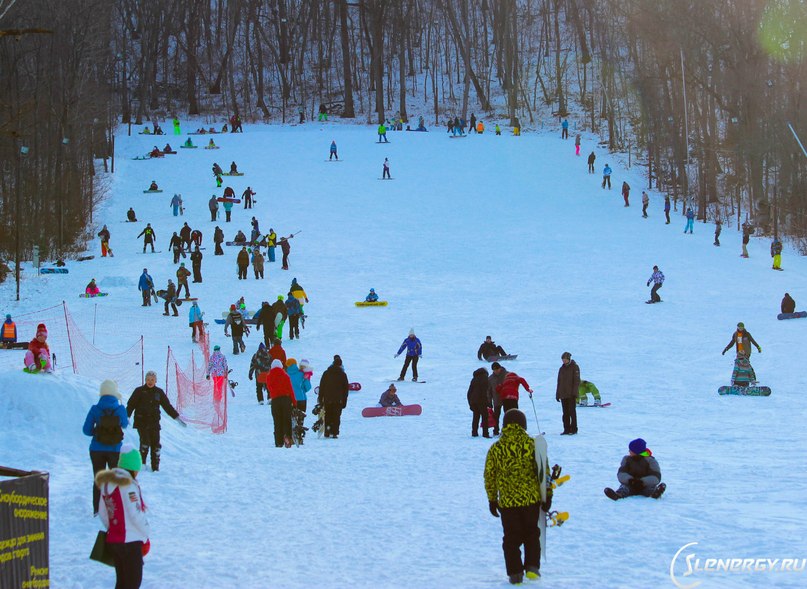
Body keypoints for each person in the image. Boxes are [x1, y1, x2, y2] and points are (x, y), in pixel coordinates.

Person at [484, 409, 548, 584]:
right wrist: (547, 496)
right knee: (532, 533)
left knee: (511, 538)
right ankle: (532, 567)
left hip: (507, 502)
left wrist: (492, 499)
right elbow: (543, 472)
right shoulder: (532, 444)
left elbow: (490, 475)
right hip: (531, 500)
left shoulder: (496, 448)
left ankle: (515, 572)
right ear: (523, 425)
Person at [95, 445, 150, 588]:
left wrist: (114, 528)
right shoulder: (128, 486)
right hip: (131, 542)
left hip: (114, 541)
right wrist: (145, 534)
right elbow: (135, 513)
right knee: (132, 583)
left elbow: (103, 512)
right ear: (132, 468)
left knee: (122, 582)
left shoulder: (107, 484)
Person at [83, 379, 128, 515]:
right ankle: (115, 509)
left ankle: (97, 509)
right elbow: (125, 424)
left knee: (98, 478)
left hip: (96, 449)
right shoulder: (120, 409)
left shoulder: (95, 409)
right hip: (115, 449)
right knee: (115, 478)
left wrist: (97, 432)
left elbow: (86, 430)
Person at [127, 371, 185, 472]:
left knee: (156, 445)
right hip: (141, 422)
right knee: (145, 442)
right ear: (145, 380)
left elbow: (167, 406)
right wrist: (126, 417)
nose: (150, 381)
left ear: (156, 381)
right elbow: (131, 405)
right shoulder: (139, 391)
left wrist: (176, 417)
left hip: (154, 423)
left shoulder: (159, 392)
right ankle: (142, 465)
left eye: (152, 380)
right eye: (148, 379)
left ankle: (155, 468)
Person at [266, 359, 297, 448]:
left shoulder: (269, 377)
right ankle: (287, 436)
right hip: (286, 400)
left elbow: (269, 388)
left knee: (277, 422)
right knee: (287, 420)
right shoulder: (285, 376)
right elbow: (291, 390)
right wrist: (294, 402)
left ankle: (278, 441)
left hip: (275, 401)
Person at [318, 355, 349, 438]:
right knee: (336, 416)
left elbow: (322, 386)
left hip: (328, 399)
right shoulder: (343, 374)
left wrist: (320, 398)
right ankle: (334, 432)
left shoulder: (326, 373)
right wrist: (344, 401)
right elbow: (345, 390)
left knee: (328, 415)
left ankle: (327, 431)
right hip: (338, 400)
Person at [556, 352, 580, 435]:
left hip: (571, 394)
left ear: (569, 359)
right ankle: (566, 429)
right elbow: (559, 382)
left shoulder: (574, 367)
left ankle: (573, 429)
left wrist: (574, 392)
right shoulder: (561, 369)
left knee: (572, 412)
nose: (564, 361)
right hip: (563, 394)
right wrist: (558, 393)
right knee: (565, 413)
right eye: (563, 359)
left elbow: (576, 381)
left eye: (565, 359)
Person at [206, 345, 229, 429]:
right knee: (220, 386)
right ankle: (218, 398)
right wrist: (226, 372)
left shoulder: (212, 357)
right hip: (221, 373)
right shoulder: (222, 356)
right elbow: (225, 365)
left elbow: (210, 365)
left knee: (216, 385)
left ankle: (215, 397)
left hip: (214, 373)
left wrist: (208, 373)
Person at [467, 368, 491, 438]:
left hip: (473, 401)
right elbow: (485, 392)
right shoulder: (485, 378)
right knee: (485, 417)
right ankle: (485, 434)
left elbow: (469, 392)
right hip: (481, 401)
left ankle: (474, 433)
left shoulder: (474, 379)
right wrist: (488, 402)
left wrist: (470, 403)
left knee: (475, 417)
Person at [488, 362, 507, 436]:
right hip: (496, 400)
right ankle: (496, 430)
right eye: (494, 370)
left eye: (497, 369)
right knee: (496, 416)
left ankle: (506, 430)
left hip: (506, 399)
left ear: (500, 368)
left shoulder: (507, 375)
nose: (496, 371)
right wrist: (489, 401)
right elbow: (488, 391)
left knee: (507, 415)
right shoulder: (490, 379)